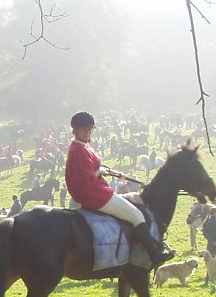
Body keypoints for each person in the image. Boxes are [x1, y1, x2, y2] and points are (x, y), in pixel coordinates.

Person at [64, 111, 174, 268]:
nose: (87, 133)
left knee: (136, 201)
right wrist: (99, 172)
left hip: (98, 191)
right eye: (83, 130)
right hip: (95, 196)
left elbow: (92, 168)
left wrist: (112, 172)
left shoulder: (82, 146)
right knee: (137, 216)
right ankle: (155, 256)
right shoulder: (79, 150)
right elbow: (85, 181)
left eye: (89, 130)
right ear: (74, 129)